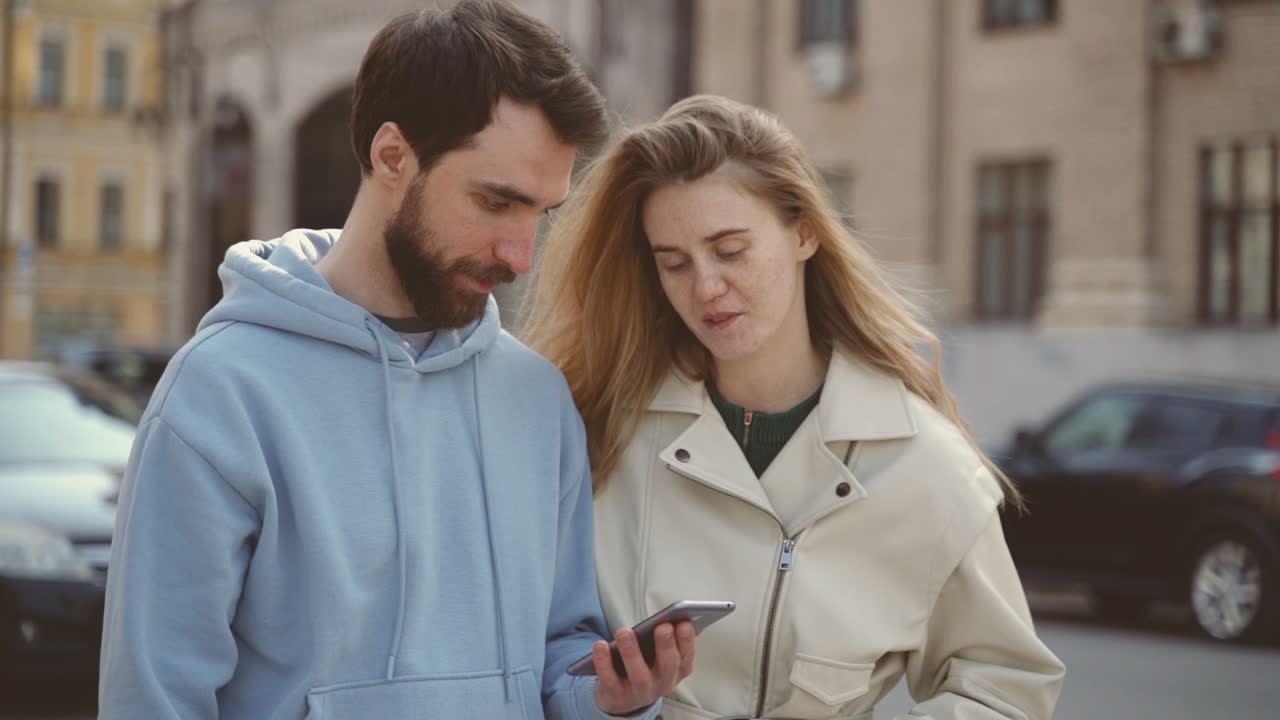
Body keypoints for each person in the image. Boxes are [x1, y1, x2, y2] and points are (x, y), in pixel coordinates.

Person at [98, 2, 696, 718]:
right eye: (495, 201)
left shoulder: (536, 398)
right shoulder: (220, 393)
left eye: (540, 212)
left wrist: (611, 698)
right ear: (391, 157)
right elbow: (156, 697)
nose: (520, 253)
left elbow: (558, 651)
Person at [523, 94, 1065, 719]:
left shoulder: (925, 465)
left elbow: (1006, 690)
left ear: (804, 231)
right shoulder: (598, 432)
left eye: (730, 251)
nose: (705, 287)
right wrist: (606, 703)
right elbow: (535, 651)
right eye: (674, 264)